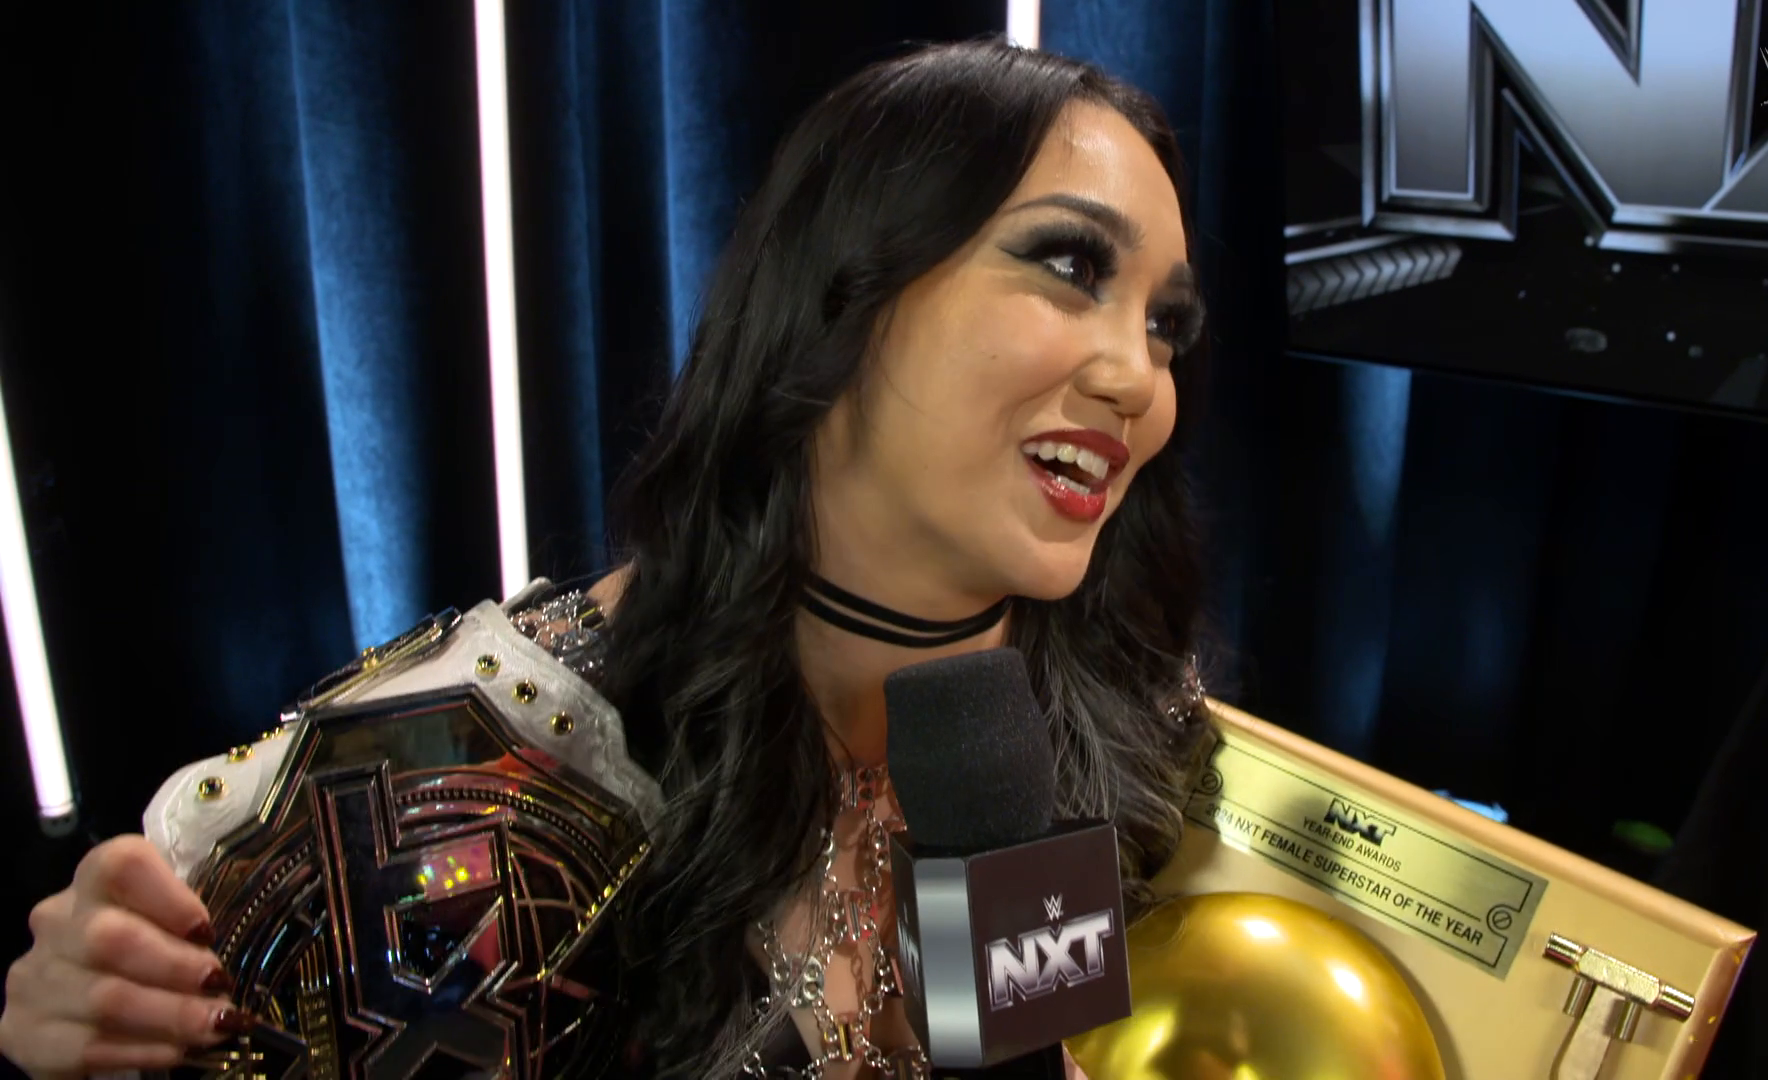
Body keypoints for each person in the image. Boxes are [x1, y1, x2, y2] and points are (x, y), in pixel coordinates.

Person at [0, 38, 1212, 1080]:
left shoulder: (1106, 715)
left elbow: (1025, 1038)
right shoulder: (461, 821)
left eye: (1167, 326)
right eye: (1071, 266)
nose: (1138, 379)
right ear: (844, 286)